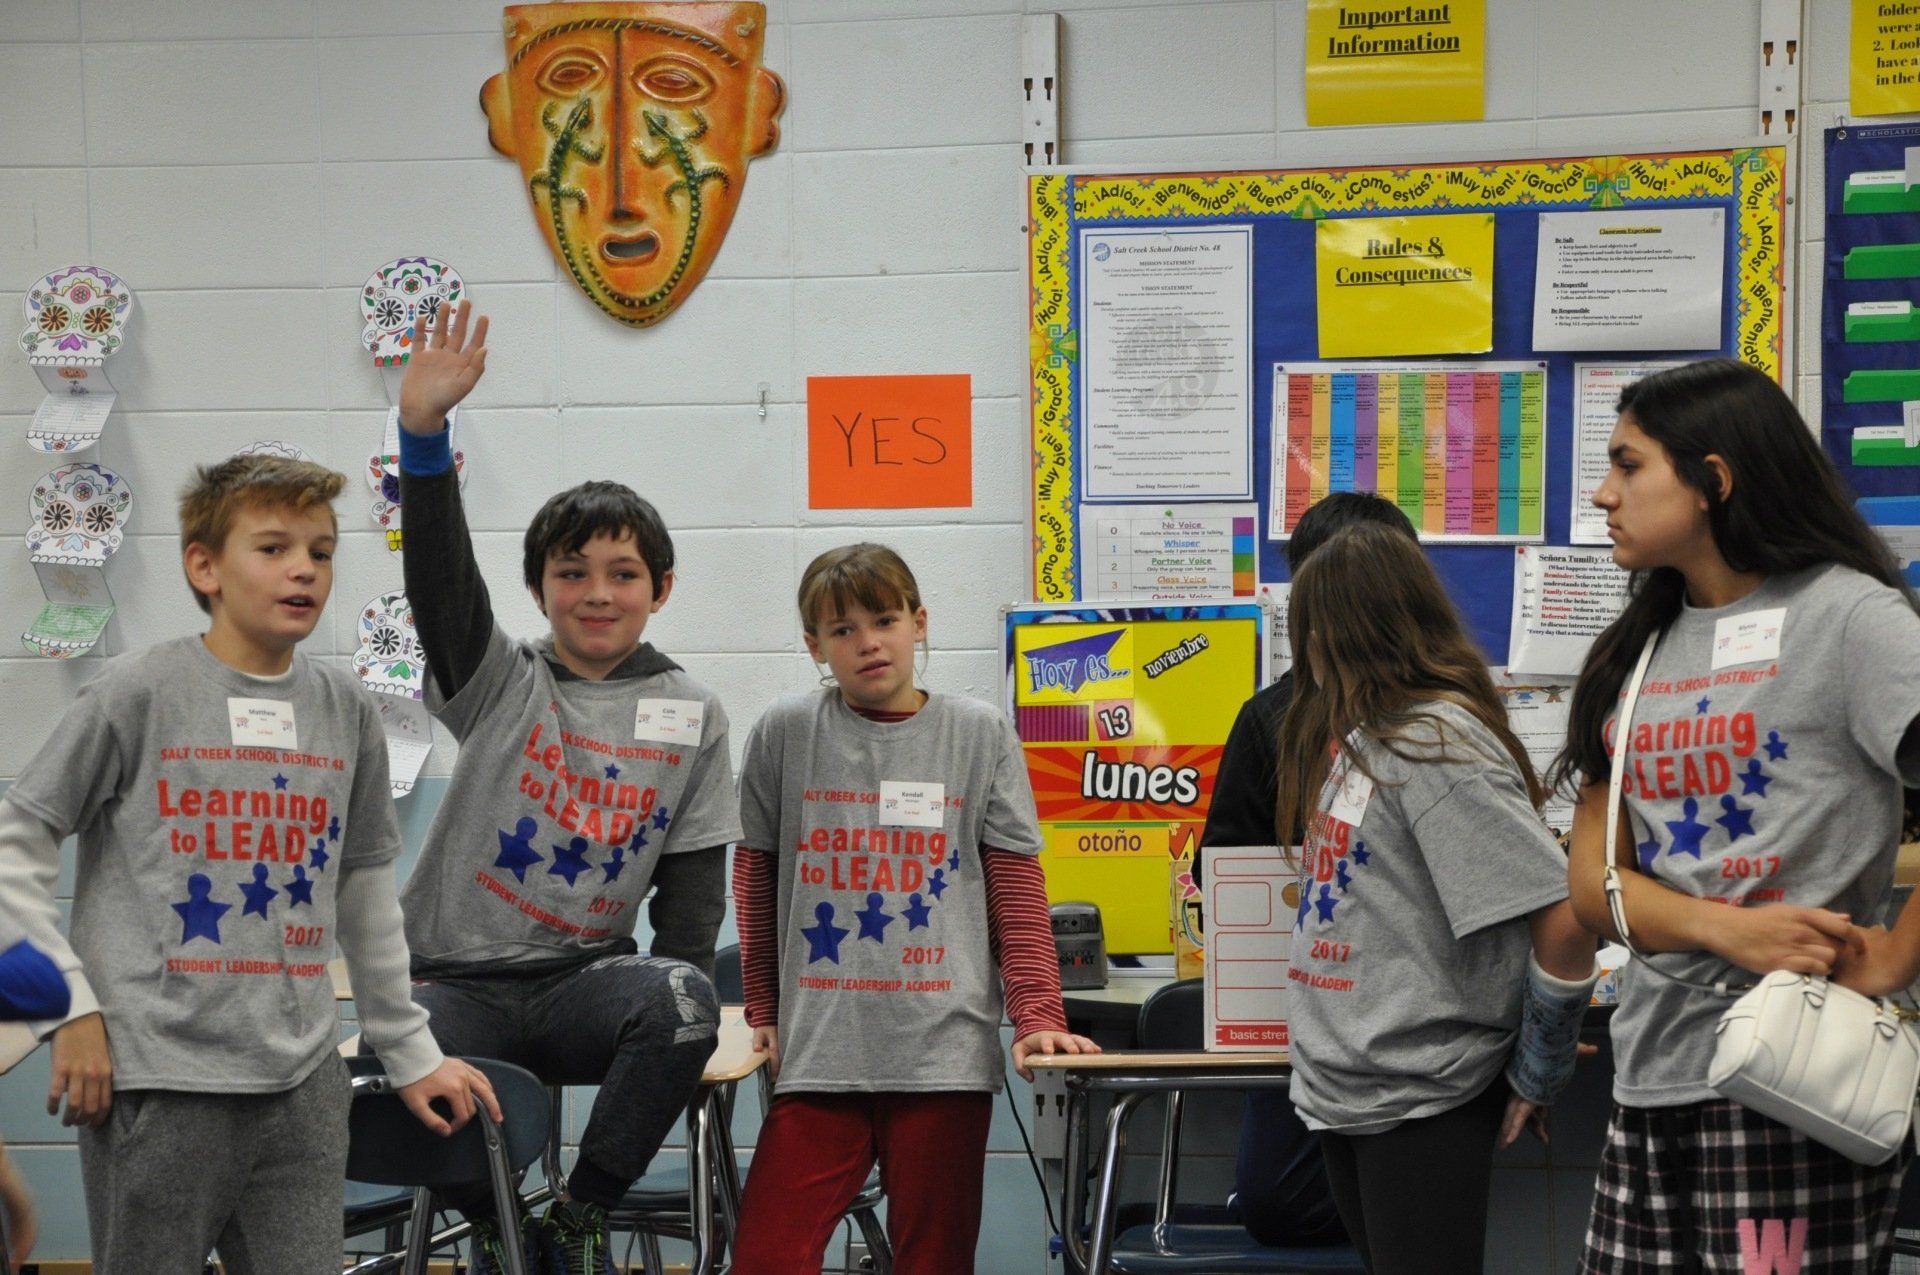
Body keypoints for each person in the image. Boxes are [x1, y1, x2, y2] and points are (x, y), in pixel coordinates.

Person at [0, 453, 496, 1274]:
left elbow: (366, 891)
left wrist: (409, 1049)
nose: (304, 567)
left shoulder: (347, 710)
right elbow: (14, 846)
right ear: (206, 565)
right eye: (273, 548)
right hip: (157, 1080)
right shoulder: (138, 691)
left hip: (302, 1086)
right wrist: (67, 1005)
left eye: (322, 550)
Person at [395, 300, 739, 1275]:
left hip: (584, 984)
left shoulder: (695, 713)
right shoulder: (498, 678)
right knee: (406, 1053)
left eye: (623, 573)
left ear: (660, 589)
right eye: (571, 571)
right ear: (538, 588)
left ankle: (576, 1216)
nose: (597, 591)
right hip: (455, 984)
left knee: (680, 998)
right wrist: (424, 439)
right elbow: (441, 582)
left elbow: (691, 897)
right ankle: (510, 1230)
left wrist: (689, 1017)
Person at [1555, 358, 1920, 1273]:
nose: (1604, 494)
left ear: (1715, 480)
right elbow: (1595, 886)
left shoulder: (1852, 619)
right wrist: (1728, 930)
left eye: (1628, 465)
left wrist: (1893, 956)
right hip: (1651, 1075)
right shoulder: (1632, 652)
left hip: (1800, 1080)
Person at [728, 543, 1099, 1275]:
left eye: (886, 619)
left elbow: (1016, 889)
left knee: (935, 1260)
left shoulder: (979, 731)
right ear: (814, 645)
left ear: (919, 622)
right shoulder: (785, 731)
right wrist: (761, 1001)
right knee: (769, 1255)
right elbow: (756, 872)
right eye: (842, 629)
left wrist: (1039, 1014)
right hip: (822, 1053)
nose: (868, 641)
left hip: (944, 1054)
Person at [1276, 522, 1596, 1275]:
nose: (1305, 654)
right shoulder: (1369, 735)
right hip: (1350, 1085)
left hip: (1420, 1089)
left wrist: (1539, 1067)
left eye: (1311, 630)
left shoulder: (1437, 741)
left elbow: (1560, 913)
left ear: (1343, 631)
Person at [1203, 492, 1419, 1250]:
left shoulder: (1437, 717)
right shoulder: (1271, 718)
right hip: (1301, 1011)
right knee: (1276, 1203)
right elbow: (1223, 868)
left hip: (1410, 1017)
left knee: (1405, 1200)